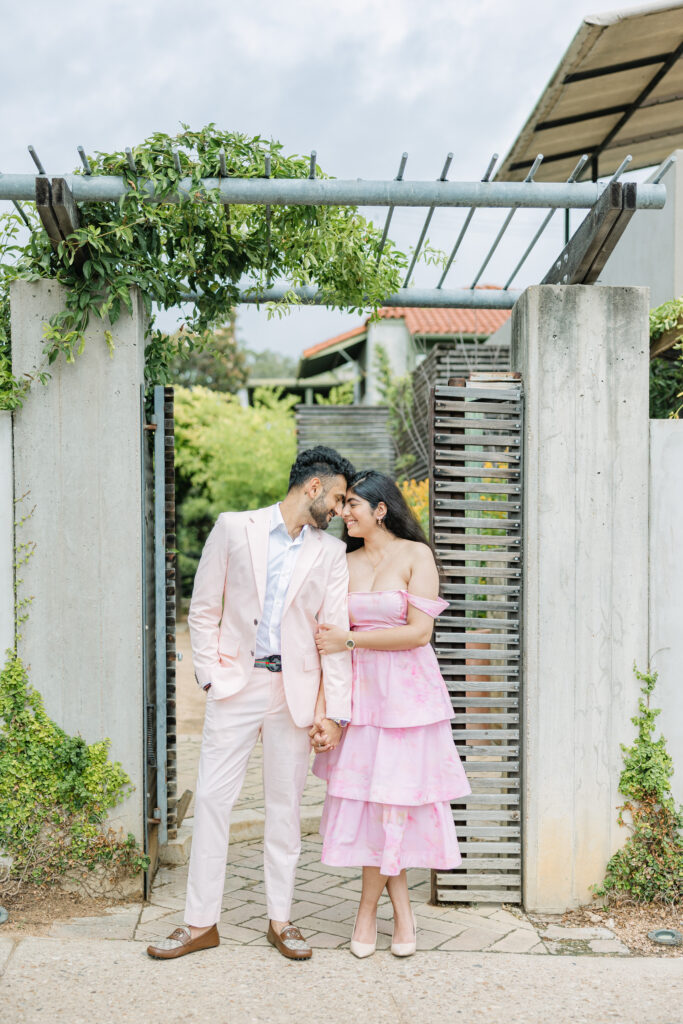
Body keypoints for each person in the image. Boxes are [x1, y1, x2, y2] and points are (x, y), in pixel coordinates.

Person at [146, 446, 355, 962]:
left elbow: (333, 633)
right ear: (313, 487)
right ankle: (199, 924)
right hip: (237, 687)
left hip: (295, 694)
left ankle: (280, 921)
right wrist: (212, 678)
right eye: (337, 497)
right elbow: (203, 608)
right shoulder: (233, 528)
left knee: (284, 810)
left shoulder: (329, 553)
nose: (339, 509)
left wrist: (334, 711)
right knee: (215, 802)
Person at [310, 470, 470, 958]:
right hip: (362, 699)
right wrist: (326, 709)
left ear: (381, 509)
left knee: (395, 804)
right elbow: (326, 642)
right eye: (343, 505)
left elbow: (419, 633)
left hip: (410, 701)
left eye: (353, 504)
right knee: (379, 806)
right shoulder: (343, 560)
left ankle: (367, 914)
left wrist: (351, 638)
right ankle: (400, 913)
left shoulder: (416, 555)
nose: (344, 512)